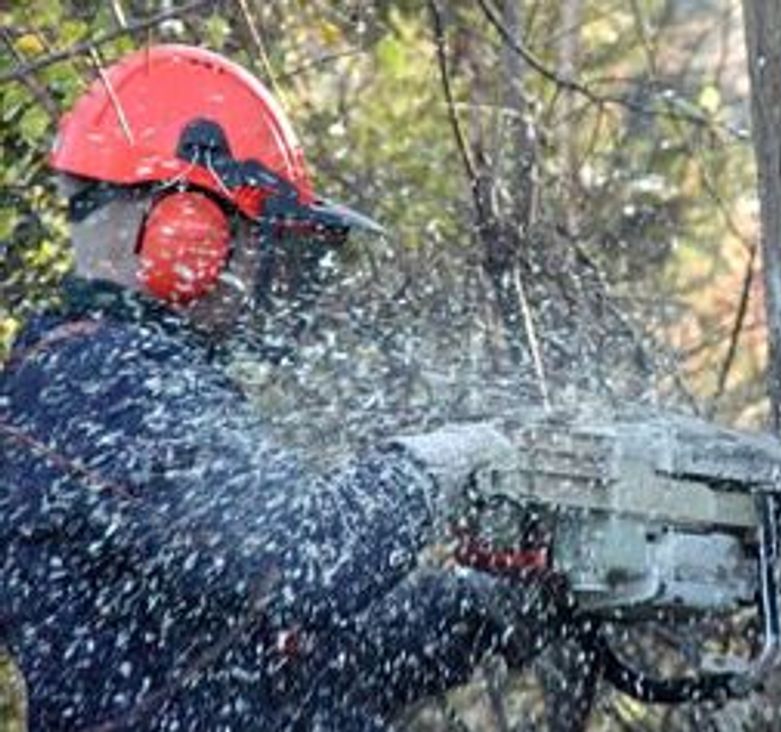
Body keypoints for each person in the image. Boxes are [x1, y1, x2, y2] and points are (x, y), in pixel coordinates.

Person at [0, 44, 560, 731]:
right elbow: (307, 558)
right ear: (187, 233)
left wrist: (485, 607)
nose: (263, 275)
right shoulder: (104, 387)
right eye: (255, 240)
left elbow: (301, 661)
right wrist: (433, 465)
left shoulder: (110, 382)